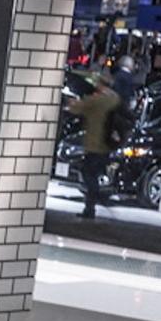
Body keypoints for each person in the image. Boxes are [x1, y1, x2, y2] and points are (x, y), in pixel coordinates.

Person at [66, 72, 121, 221]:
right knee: (94, 174)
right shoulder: (114, 99)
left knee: (88, 174)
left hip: (94, 143)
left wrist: (71, 101)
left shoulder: (96, 101)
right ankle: (93, 203)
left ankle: (90, 207)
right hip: (107, 143)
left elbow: (76, 108)